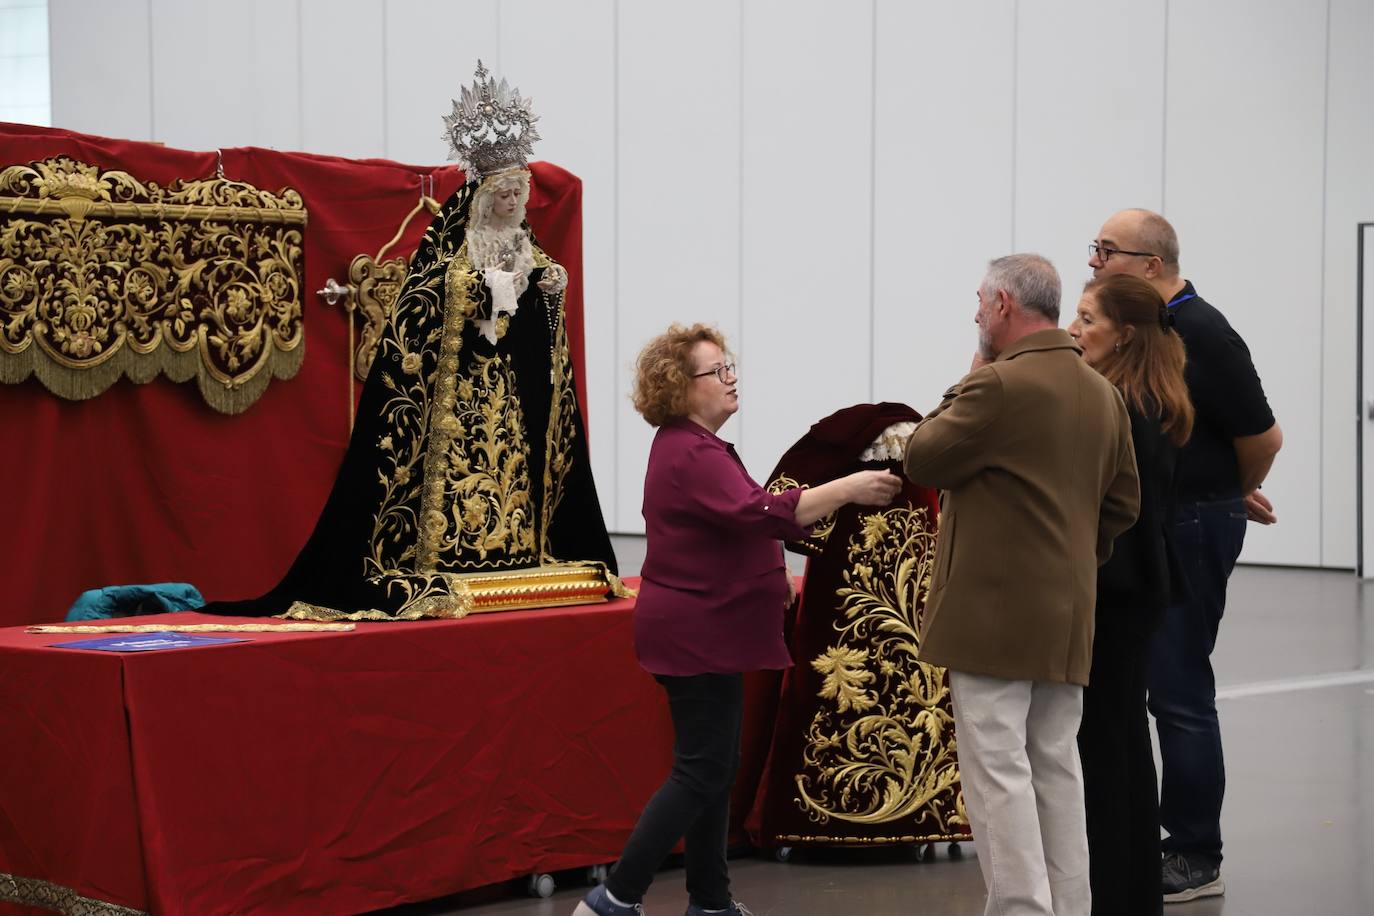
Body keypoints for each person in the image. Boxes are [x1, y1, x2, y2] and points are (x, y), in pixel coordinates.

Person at [202, 62, 620, 620]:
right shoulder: (455, 240)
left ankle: (514, 548)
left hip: (508, 397)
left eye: (522, 193)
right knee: (458, 474)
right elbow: (431, 292)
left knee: (510, 469)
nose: (517, 203)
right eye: (507, 194)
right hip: (457, 397)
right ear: (484, 195)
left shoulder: (523, 241)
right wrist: (481, 287)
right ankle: (440, 551)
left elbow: (537, 292)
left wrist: (548, 285)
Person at [575, 324, 902, 916]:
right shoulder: (689, 452)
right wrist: (849, 487)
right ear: (682, 386)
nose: (732, 378)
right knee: (701, 770)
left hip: (707, 631)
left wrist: (773, 568)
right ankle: (614, 897)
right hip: (695, 633)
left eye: (731, 367)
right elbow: (760, 511)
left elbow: (741, 523)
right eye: (717, 370)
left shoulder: (698, 448)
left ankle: (710, 902)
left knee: (714, 770)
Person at [903, 254, 1140, 916]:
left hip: (990, 620)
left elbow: (923, 455)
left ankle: (1019, 910)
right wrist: (1067, 554)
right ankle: (1068, 906)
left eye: (980, 299)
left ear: (1005, 305)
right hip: (1068, 617)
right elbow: (1123, 504)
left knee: (998, 773)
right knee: (1056, 768)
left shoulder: (997, 387)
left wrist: (967, 378)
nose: (974, 310)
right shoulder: (1102, 392)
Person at [1089, 209, 1282, 902]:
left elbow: (1265, 435)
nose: (1094, 262)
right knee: (1149, 686)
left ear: (1151, 264)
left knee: (1178, 691)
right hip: (1168, 518)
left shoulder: (1203, 331)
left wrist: (1231, 490)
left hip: (1193, 523)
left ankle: (1196, 852)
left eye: (1106, 251)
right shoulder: (1154, 331)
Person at [1068, 274, 1195, 916]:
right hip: (1138, 589)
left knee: (1103, 743)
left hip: (1114, 590)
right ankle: (1131, 888)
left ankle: (1111, 889)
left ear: (1124, 333)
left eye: (1087, 319)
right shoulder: (1156, 398)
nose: (1073, 329)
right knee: (1122, 740)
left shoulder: (1118, 405)